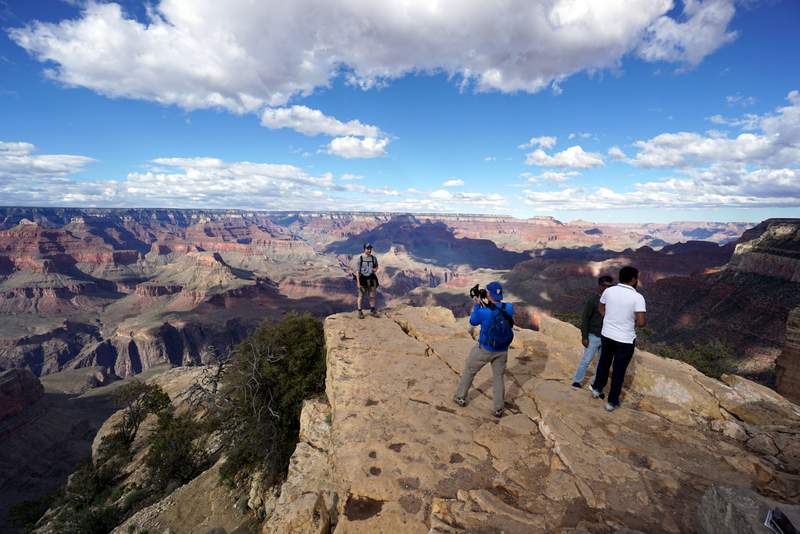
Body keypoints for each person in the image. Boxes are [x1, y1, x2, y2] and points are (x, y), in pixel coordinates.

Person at [453, 281, 514, 418]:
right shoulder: (509, 307)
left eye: (487, 291)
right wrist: (486, 302)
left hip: (485, 349)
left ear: (489, 294)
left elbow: (473, 321)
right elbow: (498, 310)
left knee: (470, 370)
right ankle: (498, 408)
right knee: (498, 377)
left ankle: (460, 397)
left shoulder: (483, 311)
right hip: (503, 350)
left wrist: (476, 304)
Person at [590, 266, 647, 412]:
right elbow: (641, 322)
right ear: (634, 280)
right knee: (618, 371)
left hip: (607, 334)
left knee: (604, 362)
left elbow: (601, 307)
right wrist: (629, 321)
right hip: (625, 340)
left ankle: (596, 389)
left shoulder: (609, 291)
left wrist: (609, 319)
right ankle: (612, 402)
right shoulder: (638, 297)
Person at [572, 275, 614, 389]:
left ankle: (595, 384)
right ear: (600, 286)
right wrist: (584, 336)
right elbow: (585, 318)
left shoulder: (613, 301)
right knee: (586, 360)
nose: (607, 288)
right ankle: (577, 381)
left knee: (602, 364)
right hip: (593, 335)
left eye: (610, 286)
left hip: (607, 337)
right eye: (604, 286)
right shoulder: (593, 300)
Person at [352, 243, 379, 319]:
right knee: (361, 296)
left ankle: (372, 310)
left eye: (370, 248)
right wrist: (358, 282)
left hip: (371, 279)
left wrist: (375, 269)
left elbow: (376, 266)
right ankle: (360, 311)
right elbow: (357, 271)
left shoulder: (374, 258)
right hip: (363, 279)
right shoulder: (360, 258)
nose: (369, 250)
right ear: (364, 249)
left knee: (372, 296)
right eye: (368, 248)